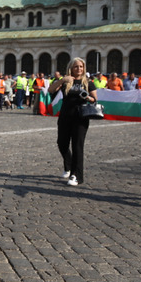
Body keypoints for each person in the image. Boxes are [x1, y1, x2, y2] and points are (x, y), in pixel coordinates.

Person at [48, 58, 98, 186]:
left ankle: (76, 175)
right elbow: (50, 90)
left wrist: (87, 97)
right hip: (65, 116)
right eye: (76, 67)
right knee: (62, 143)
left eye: (81, 67)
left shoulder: (87, 82)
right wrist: (62, 80)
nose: (79, 69)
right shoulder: (65, 81)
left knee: (77, 146)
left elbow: (95, 99)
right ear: (71, 68)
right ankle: (68, 165)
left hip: (80, 118)